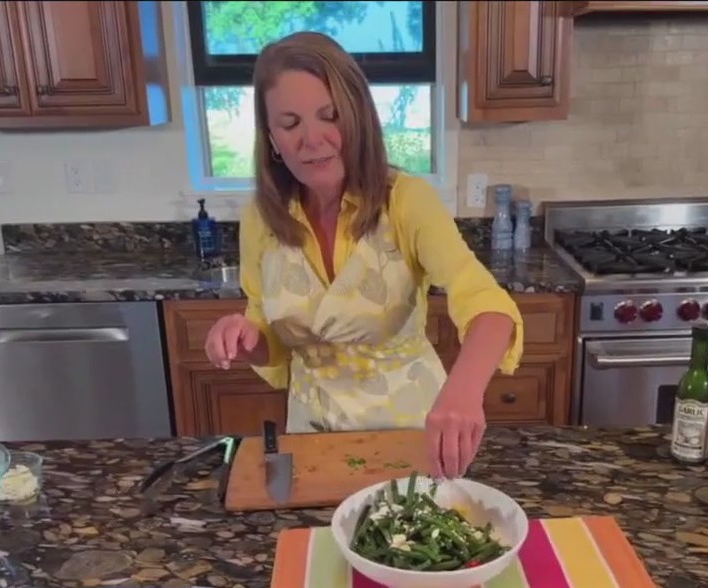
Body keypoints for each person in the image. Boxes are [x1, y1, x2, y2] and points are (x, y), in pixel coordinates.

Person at [203, 31, 524, 480]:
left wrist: (463, 392)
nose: (311, 138)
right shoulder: (260, 218)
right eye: (290, 124)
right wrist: (245, 337)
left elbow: (488, 305)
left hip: (412, 436)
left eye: (330, 115)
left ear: (357, 117)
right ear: (272, 138)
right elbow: (271, 343)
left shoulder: (406, 200)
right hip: (312, 440)